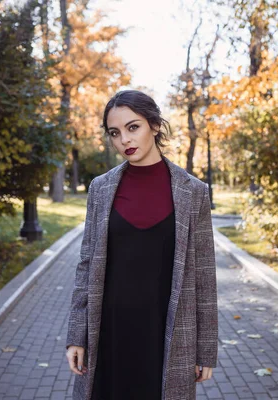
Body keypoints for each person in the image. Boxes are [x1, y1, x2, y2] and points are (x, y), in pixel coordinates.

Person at [65, 90, 218, 400]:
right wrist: (76, 336)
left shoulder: (193, 192)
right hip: (109, 331)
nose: (124, 140)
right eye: (115, 133)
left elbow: (204, 276)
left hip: (167, 333)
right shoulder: (101, 188)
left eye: (133, 127)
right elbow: (86, 265)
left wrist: (206, 350)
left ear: (155, 125)